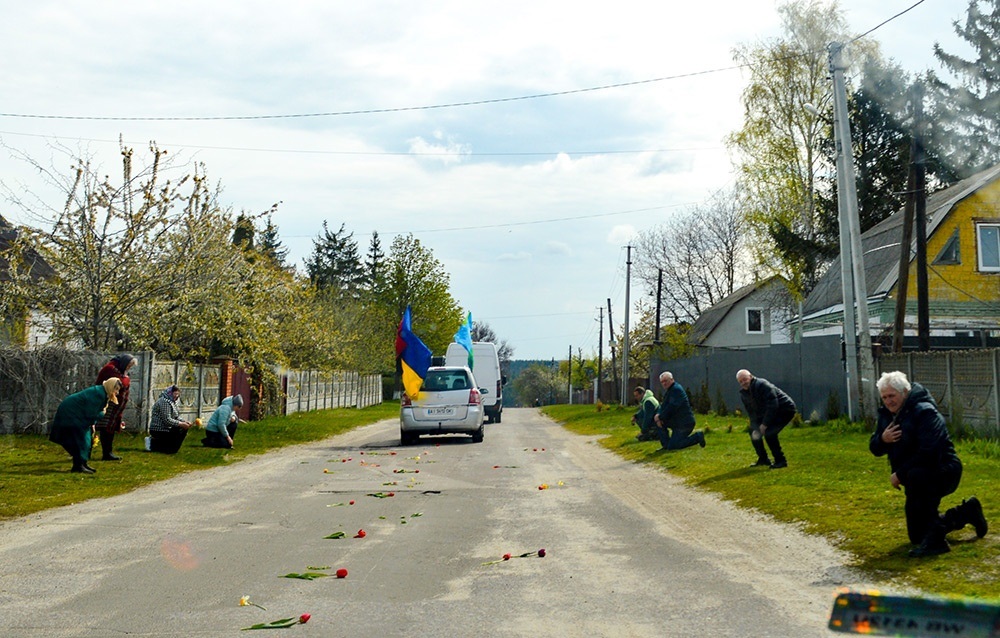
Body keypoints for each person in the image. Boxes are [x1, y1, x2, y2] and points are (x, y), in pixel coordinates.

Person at [870, 371, 989, 557]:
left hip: (943, 470)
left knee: (917, 477)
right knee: (917, 535)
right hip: (914, 476)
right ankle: (967, 512)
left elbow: (930, 452)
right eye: (884, 397)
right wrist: (883, 439)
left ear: (905, 392)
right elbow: (875, 448)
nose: (888, 401)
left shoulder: (925, 411)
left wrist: (899, 474)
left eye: (892, 396)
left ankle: (936, 543)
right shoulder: (886, 415)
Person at [48, 378, 121, 473]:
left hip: (77, 414)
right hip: (70, 414)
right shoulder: (99, 394)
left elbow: (92, 412)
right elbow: (91, 413)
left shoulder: (102, 393)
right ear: (111, 387)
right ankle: (78, 466)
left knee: (86, 438)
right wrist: (102, 414)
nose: (117, 392)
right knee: (80, 439)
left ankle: (83, 464)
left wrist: (93, 423)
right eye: (116, 389)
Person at [737, 369, 796, 469]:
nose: (743, 383)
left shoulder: (762, 385)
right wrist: (755, 427)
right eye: (740, 381)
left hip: (785, 409)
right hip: (769, 412)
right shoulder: (744, 394)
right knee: (753, 432)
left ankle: (781, 461)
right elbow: (752, 413)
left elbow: (773, 405)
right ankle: (763, 459)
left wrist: (765, 424)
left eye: (745, 379)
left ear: (750, 377)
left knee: (769, 432)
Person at [94, 354, 137, 461]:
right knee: (106, 427)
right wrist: (126, 378)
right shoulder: (110, 368)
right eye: (128, 366)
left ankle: (108, 452)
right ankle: (105, 453)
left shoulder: (120, 370)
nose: (128, 368)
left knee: (111, 427)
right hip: (107, 402)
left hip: (114, 405)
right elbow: (122, 382)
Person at [653, 371, 706, 451]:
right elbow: (663, 406)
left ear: (672, 379)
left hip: (684, 423)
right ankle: (666, 445)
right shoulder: (669, 391)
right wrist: (658, 416)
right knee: (657, 421)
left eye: (666, 381)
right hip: (677, 422)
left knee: (675, 446)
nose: (664, 383)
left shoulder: (676, 390)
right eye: (662, 382)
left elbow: (672, 407)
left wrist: (660, 417)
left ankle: (697, 437)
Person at [148, 385, 193, 454]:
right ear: (170, 393)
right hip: (159, 429)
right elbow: (167, 420)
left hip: (166, 428)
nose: (176, 396)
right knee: (180, 428)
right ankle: (161, 446)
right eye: (175, 394)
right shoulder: (164, 401)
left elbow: (176, 417)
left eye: (178, 394)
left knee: (183, 428)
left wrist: (185, 422)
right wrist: (181, 424)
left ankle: (170, 448)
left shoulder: (171, 402)